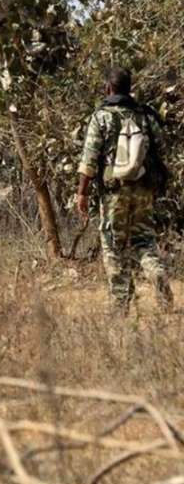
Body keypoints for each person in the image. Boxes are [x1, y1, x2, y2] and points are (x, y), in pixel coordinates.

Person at [77, 67, 174, 315]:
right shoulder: (145, 116)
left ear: (108, 88)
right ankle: (157, 272)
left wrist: (82, 193)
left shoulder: (101, 117)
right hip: (143, 191)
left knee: (113, 246)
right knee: (144, 240)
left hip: (114, 194)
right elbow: (162, 148)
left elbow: (89, 159)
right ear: (129, 88)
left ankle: (120, 305)